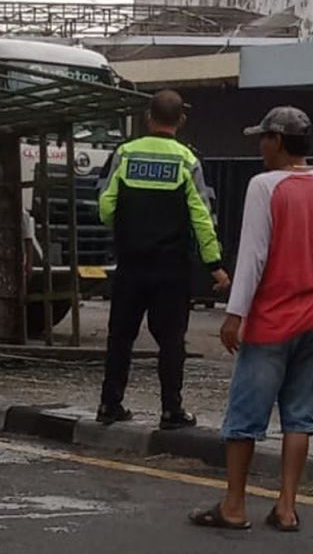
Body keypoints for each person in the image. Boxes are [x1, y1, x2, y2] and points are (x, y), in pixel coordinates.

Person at [190, 106, 313, 533]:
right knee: (300, 416)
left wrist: (233, 315)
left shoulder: (264, 186)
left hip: (271, 322)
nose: (259, 145)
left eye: (263, 138)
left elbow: (254, 257)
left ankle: (234, 505)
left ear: (277, 141)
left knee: (244, 418)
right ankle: (287, 506)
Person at [97, 90, 230, 430]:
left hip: (131, 262)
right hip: (171, 267)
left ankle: (110, 404)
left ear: (147, 117)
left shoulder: (125, 154)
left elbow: (106, 205)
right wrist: (214, 265)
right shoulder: (188, 160)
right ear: (181, 120)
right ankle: (171, 410)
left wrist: (126, 230)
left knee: (121, 336)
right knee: (171, 339)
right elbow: (202, 216)